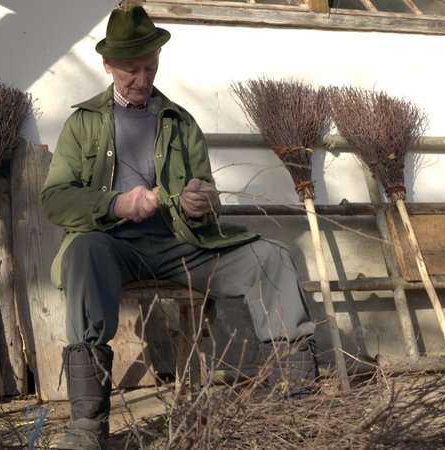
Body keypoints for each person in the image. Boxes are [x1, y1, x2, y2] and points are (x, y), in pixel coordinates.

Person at [40, 4, 318, 449]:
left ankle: (300, 407)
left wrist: (202, 203)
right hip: (113, 249)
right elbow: (55, 200)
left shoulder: (180, 122)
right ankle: (87, 429)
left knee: (272, 257)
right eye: (131, 70)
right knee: (82, 251)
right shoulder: (83, 124)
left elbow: (208, 202)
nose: (142, 80)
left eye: (150, 68)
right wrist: (116, 203)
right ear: (107, 65)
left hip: (181, 246)